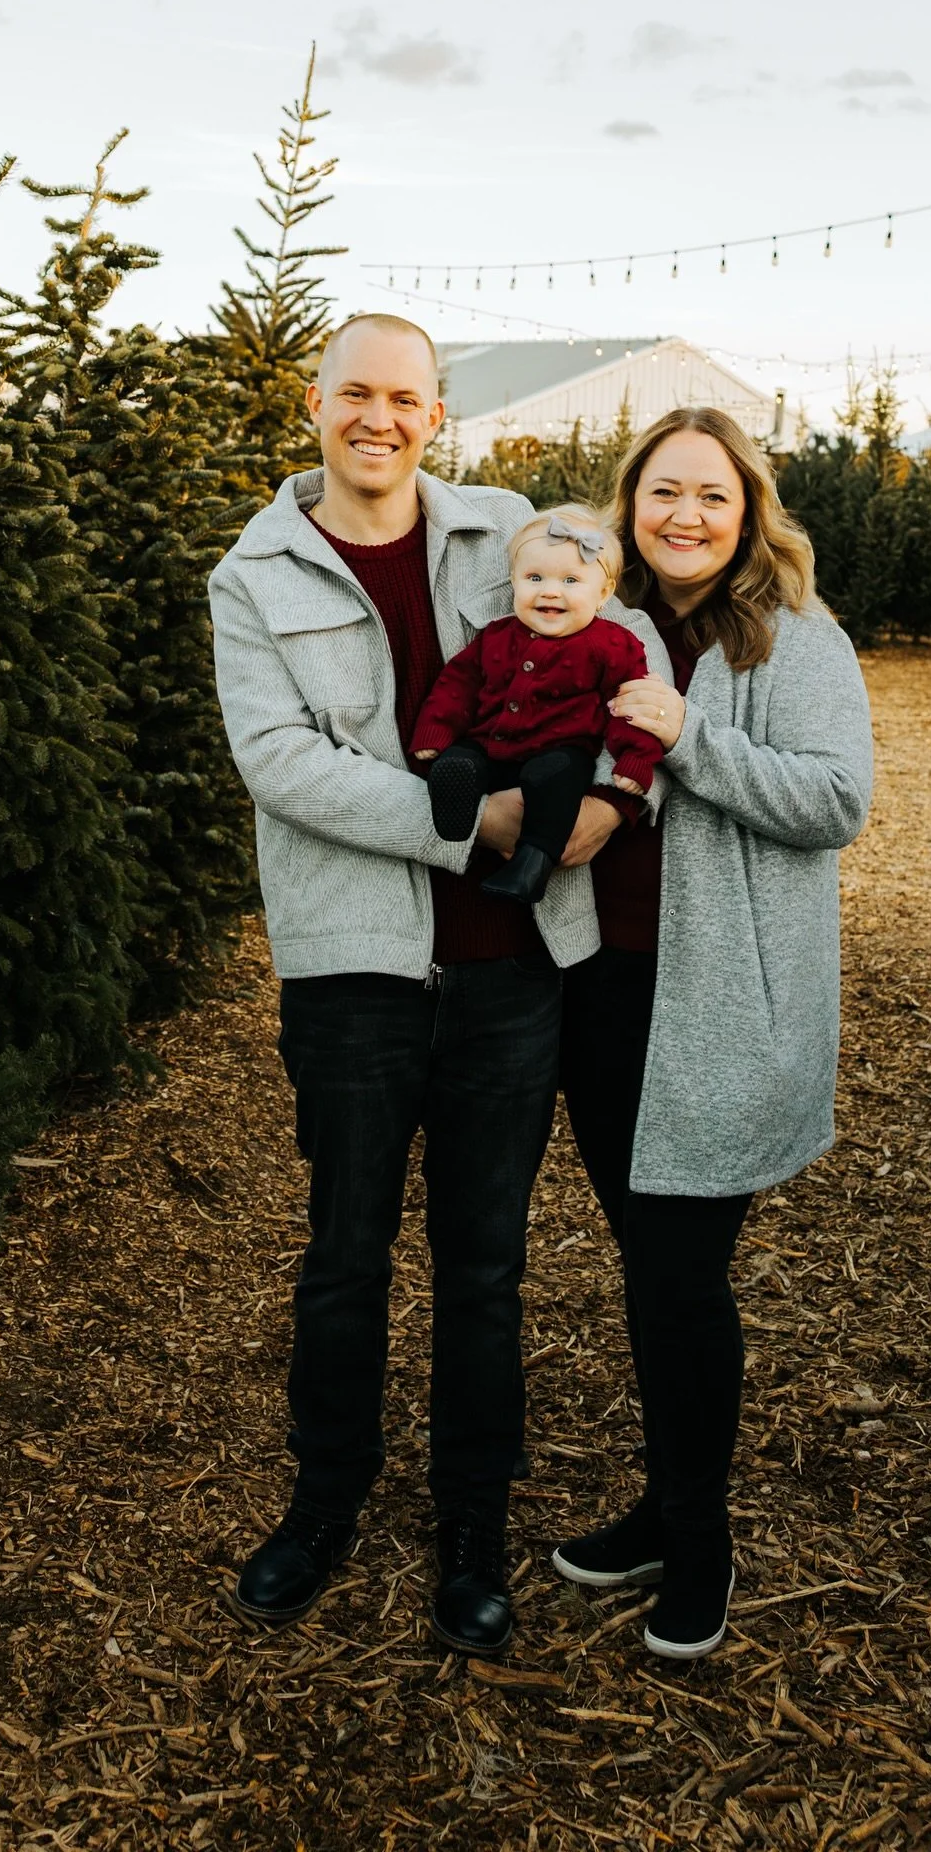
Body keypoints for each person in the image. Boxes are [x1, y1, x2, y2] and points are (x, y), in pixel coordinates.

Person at [206, 313, 668, 1657]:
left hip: (511, 965)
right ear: (315, 403)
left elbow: (615, 638)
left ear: (436, 411)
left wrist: (621, 786)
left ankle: (471, 1526)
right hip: (351, 966)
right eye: (356, 393)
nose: (380, 419)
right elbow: (280, 763)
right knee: (346, 1256)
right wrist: (469, 822)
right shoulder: (255, 574)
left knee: (485, 1266)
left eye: (405, 398)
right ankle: (323, 1501)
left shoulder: (500, 527)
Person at [551, 406, 873, 1660]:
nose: (685, 516)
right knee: (650, 1270)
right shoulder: (599, 619)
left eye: (712, 498)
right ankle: (659, 1502)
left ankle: (700, 1539)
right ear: (630, 505)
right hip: (601, 994)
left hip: (722, 1003)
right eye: (663, 493)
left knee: (682, 1281)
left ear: (748, 516)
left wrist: (694, 740)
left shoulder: (792, 638)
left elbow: (835, 799)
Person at [411, 506, 664, 905]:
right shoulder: (496, 635)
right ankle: (455, 816)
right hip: (491, 744)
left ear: (603, 593)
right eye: (534, 578)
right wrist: (436, 730)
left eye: (570, 580)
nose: (550, 590)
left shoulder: (613, 646)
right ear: (513, 582)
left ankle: (531, 866)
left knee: (555, 782)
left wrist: (635, 760)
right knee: (461, 760)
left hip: (561, 751)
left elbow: (632, 708)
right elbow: (457, 684)